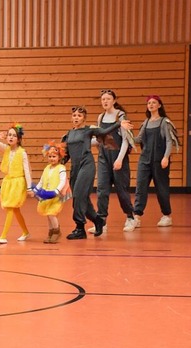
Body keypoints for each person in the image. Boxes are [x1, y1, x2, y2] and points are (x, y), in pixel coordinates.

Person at [62, 106, 132, 240]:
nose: (76, 118)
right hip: (75, 168)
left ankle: (79, 228)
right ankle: (98, 220)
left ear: (84, 118)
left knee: (78, 196)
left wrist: (119, 124)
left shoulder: (89, 130)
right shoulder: (69, 134)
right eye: (74, 115)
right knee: (83, 199)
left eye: (79, 116)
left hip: (86, 166)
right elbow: (66, 154)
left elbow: (104, 131)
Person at [90, 90, 137, 234]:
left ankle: (130, 217)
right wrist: (82, 140)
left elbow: (125, 140)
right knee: (102, 190)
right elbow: (99, 140)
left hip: (117, 157)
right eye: (103, 99)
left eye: (108, 99)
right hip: (104, 157)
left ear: (114, 100)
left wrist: (120, 159)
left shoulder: (120, 116)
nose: (105, 101)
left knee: (122, 190)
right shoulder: (100, 117)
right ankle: (101, 222)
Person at [133, 95, 174, 227]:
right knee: (140, 187)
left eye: (154, 103)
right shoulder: (145, 123)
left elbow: (169, 141)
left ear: (159, 105)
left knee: (161, 188)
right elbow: (138, 139)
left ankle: (166, 215)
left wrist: (166, 157)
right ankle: (137, 216)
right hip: (144, 160)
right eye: (149, 103)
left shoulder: (164, 122)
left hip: (159, 160)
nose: (151, 105)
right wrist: (125, 135)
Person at [0, 124, 33, 243]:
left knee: (10, 207)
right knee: (15, 209)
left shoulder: (22, 152)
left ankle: (3, 236)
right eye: (9, 135)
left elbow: (27, 170)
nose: (11, 137)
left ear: (18, 139)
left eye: (14, 135)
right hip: (8, 182)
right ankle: (26, 231)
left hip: (18, 183)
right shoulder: (6, 149)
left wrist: (29, 187)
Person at [32, 142, 71, 243]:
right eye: (49, 156)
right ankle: (51, 232)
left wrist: (57, 190)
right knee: (48, 215)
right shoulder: (46, 168)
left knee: (52, 214)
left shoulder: (61, 168)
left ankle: (57, 232)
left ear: (59, 157)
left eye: (54, 156)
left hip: (55, 196)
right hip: (46, 195)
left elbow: (62, 180)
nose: (52, 158)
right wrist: (36, 190)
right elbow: (42, 181)